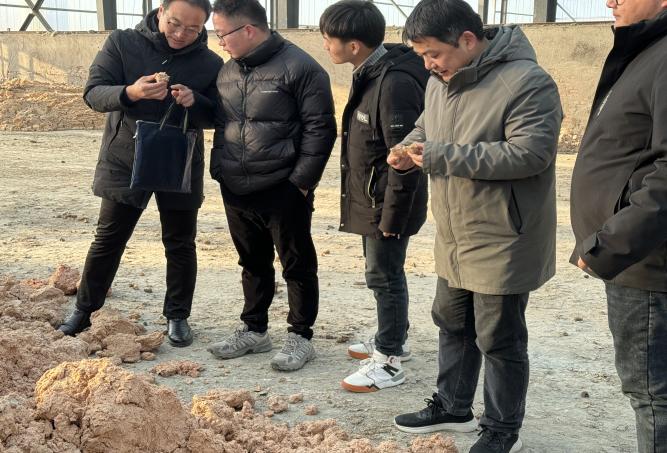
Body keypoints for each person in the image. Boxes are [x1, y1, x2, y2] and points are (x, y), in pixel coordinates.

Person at [387, 1, 562, 451]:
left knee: (499, 337)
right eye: (422, 56)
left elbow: (531, 154)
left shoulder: (526, 81)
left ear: (467, 39)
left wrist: (442, 156)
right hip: (455, 230)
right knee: (451, 321)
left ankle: (503, 430)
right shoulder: (440, 82)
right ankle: (453, 405)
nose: (428, 65)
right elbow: (427, 127)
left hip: (503, 234)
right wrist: (408, 148)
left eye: (433, 54)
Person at [57, 0, 223, 348]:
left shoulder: (210, 63)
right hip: (126, 157)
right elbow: (93, 93)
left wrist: (196, 101)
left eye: (193, 29)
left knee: (180, 242)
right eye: (175, 23)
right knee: (109, 238)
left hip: (179, 160)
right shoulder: (123, 43)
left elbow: (217, 116)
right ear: (160, 12)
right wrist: (131, 92)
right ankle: (85, 310)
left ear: (203, 27)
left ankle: (177, 315)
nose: (181, 34)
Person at [206, 0, 336, 372]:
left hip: (283, 186)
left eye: (222, 35)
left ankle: (300, 336)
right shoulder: (228, 71)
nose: (220, 43)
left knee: (296, 263)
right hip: (235, 186)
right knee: (252, 261)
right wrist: (220, 168)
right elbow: (223, 124)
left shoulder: (301, 68)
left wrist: (300, 184)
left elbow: (320, 129)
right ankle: (254, 330)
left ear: (248, 30)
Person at [570, 1, 667, 452]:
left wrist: (609, 246)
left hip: (646, 264)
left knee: (653, 396)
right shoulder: (648, 49)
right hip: (639, 258)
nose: (610, 0)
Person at [319, 0, 428, 393]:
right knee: (381, 274)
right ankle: (392, 336)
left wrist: (392, 217)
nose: (325, 46)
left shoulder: (393, 83)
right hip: (375, 200)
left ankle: (389, 360)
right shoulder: (369, 73)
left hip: (388, 204)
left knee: (385, 276)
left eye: (329, 39)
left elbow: (405, 158)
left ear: (353, 46)